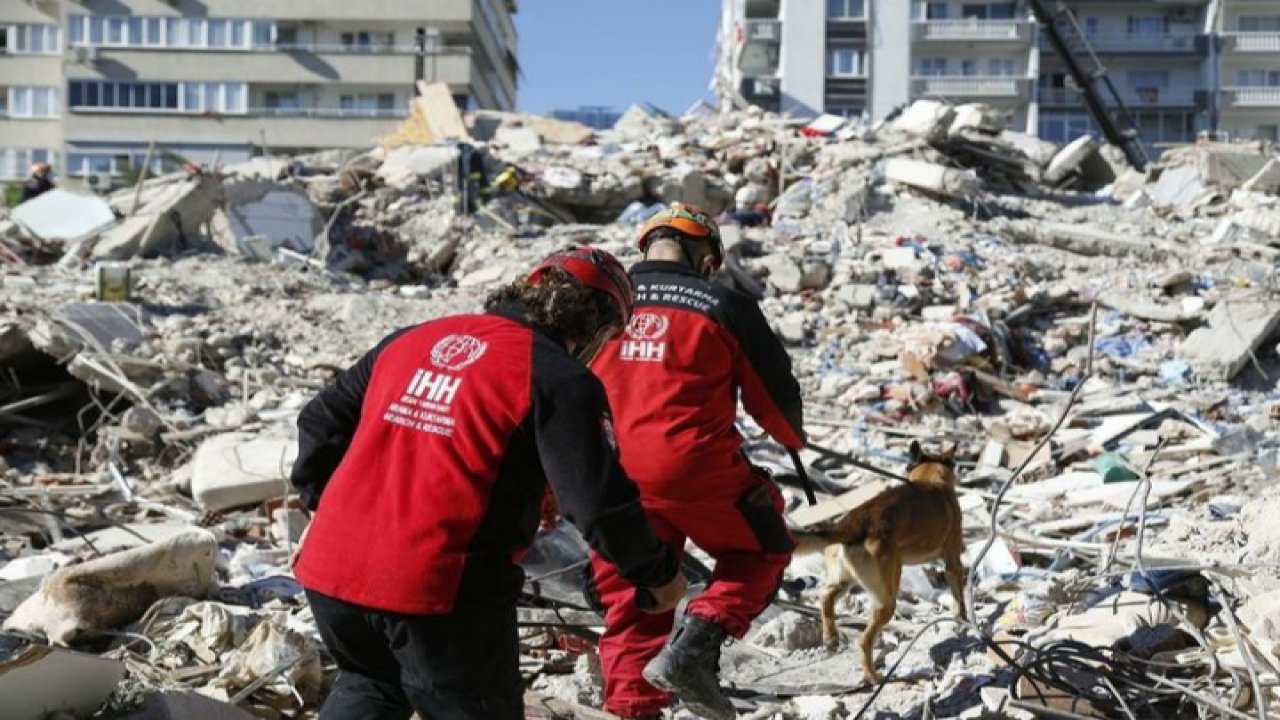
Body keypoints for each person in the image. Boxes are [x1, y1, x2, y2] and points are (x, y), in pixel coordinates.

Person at [290, 246, 687, 720]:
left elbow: (319, 423)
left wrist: (320, 508)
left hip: (332, 575)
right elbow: (599, 503)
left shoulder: (414, 338)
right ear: (596, 331)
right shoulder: (558, 378)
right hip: (438, 592)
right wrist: (656, 573)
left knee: (372, 684)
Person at [589, 203, 806, 719]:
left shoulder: (601, 305)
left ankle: (632, 709)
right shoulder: (722, 304)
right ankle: (697, 644)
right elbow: (774, 401)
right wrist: (792, 438)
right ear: (705, 254)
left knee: (637, 596)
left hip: (609, 476)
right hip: (693, 468)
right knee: (764, 550)